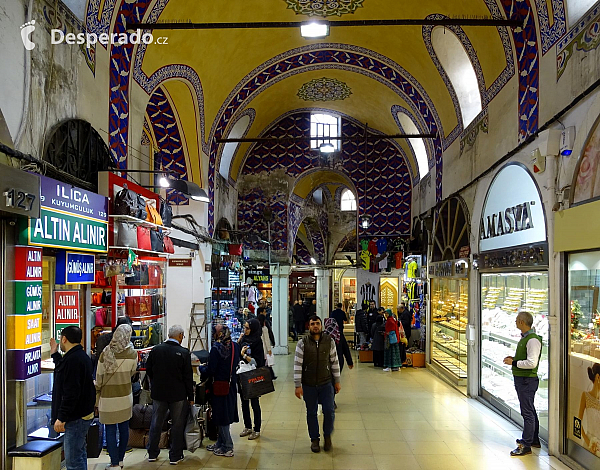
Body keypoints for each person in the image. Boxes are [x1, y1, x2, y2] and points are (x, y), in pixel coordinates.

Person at [146, 325, 194, 465]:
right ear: (179, 335)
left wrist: (155, 383)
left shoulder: (156, 350)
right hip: (178, 395)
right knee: (177, 425)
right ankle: (175, 455)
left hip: (159, 393)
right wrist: (191, 397)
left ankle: (152, 453)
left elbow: (149, 369)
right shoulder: (184, 353)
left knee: (156, 423)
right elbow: (188, 377)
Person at [50, 326, 95, 470]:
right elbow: (64, 370)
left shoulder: (73, 360)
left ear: (64, 339)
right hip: (82, 414)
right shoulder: (79, 356)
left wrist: (61, 417)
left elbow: (71, 393)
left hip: (75, 418)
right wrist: (55, 354)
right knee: (79, 454)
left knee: (73, 460)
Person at [294, 315, 341, 453]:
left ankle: (327, 436)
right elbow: (297, 365)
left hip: (326, 383)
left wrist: (337, 381)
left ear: (322, 326)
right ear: (309, 326)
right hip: (308, 384)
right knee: (311, 412)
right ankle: (314, 439)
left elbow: (334, 362)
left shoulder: (329, 341)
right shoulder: (302, 343)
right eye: (312, 323)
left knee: (329, 411)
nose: (315, 326)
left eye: (318, 323)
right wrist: (298, 385)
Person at [95, 324, 138, 468]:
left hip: (108, 399)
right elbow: (132, 373)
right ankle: (120, 459)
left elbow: (99, 378)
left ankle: (113, 463)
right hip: (125, 397)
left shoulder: (105, 353)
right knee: (124, 428)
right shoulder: (133, 354)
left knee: (110, 430)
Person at [503, 311, 542, 456]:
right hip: (523, 379)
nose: (515, 322)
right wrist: (514, 358)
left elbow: (532, 363)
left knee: (527, 412)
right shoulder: (526, 339)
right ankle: (533, 439)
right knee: (530, 410)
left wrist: (514, 362)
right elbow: (527, 358)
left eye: (517, 320)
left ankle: (526, 445)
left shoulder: (532, 340)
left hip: (527, 380)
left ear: (522, 322)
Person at [206, 325, 241, 457]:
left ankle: (227, 446)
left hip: (219, 386)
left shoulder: (216, 349)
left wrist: (201, 369)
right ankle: (220, 443)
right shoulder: (234, 346)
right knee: (224, 414)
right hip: (230, 384)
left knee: (221, 416)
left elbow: (211, 369)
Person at [238, 318, 265, 440]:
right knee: (244, 402)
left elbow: (257, 361)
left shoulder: (257, 341)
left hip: (253, 375)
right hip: (242, 374)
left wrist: (244, 355)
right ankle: (247, 426)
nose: (245, 330)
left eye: (247, 328)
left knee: (254, 403)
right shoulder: (244, 339)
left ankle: (257, 429)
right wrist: (239, 343)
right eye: (244, 327)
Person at [578, 364, 600, 456]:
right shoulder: (586, 396)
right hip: (589, 443)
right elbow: (578, 422)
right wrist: (588, 442)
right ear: (598, 377)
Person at [258, 312, 277, 380]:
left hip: (259, 348)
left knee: (263, 363)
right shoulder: (264, 328)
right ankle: (271, 375)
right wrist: (269, 349)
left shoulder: (257, 329)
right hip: (264, 348)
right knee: (267, 363)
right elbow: (267, 340)